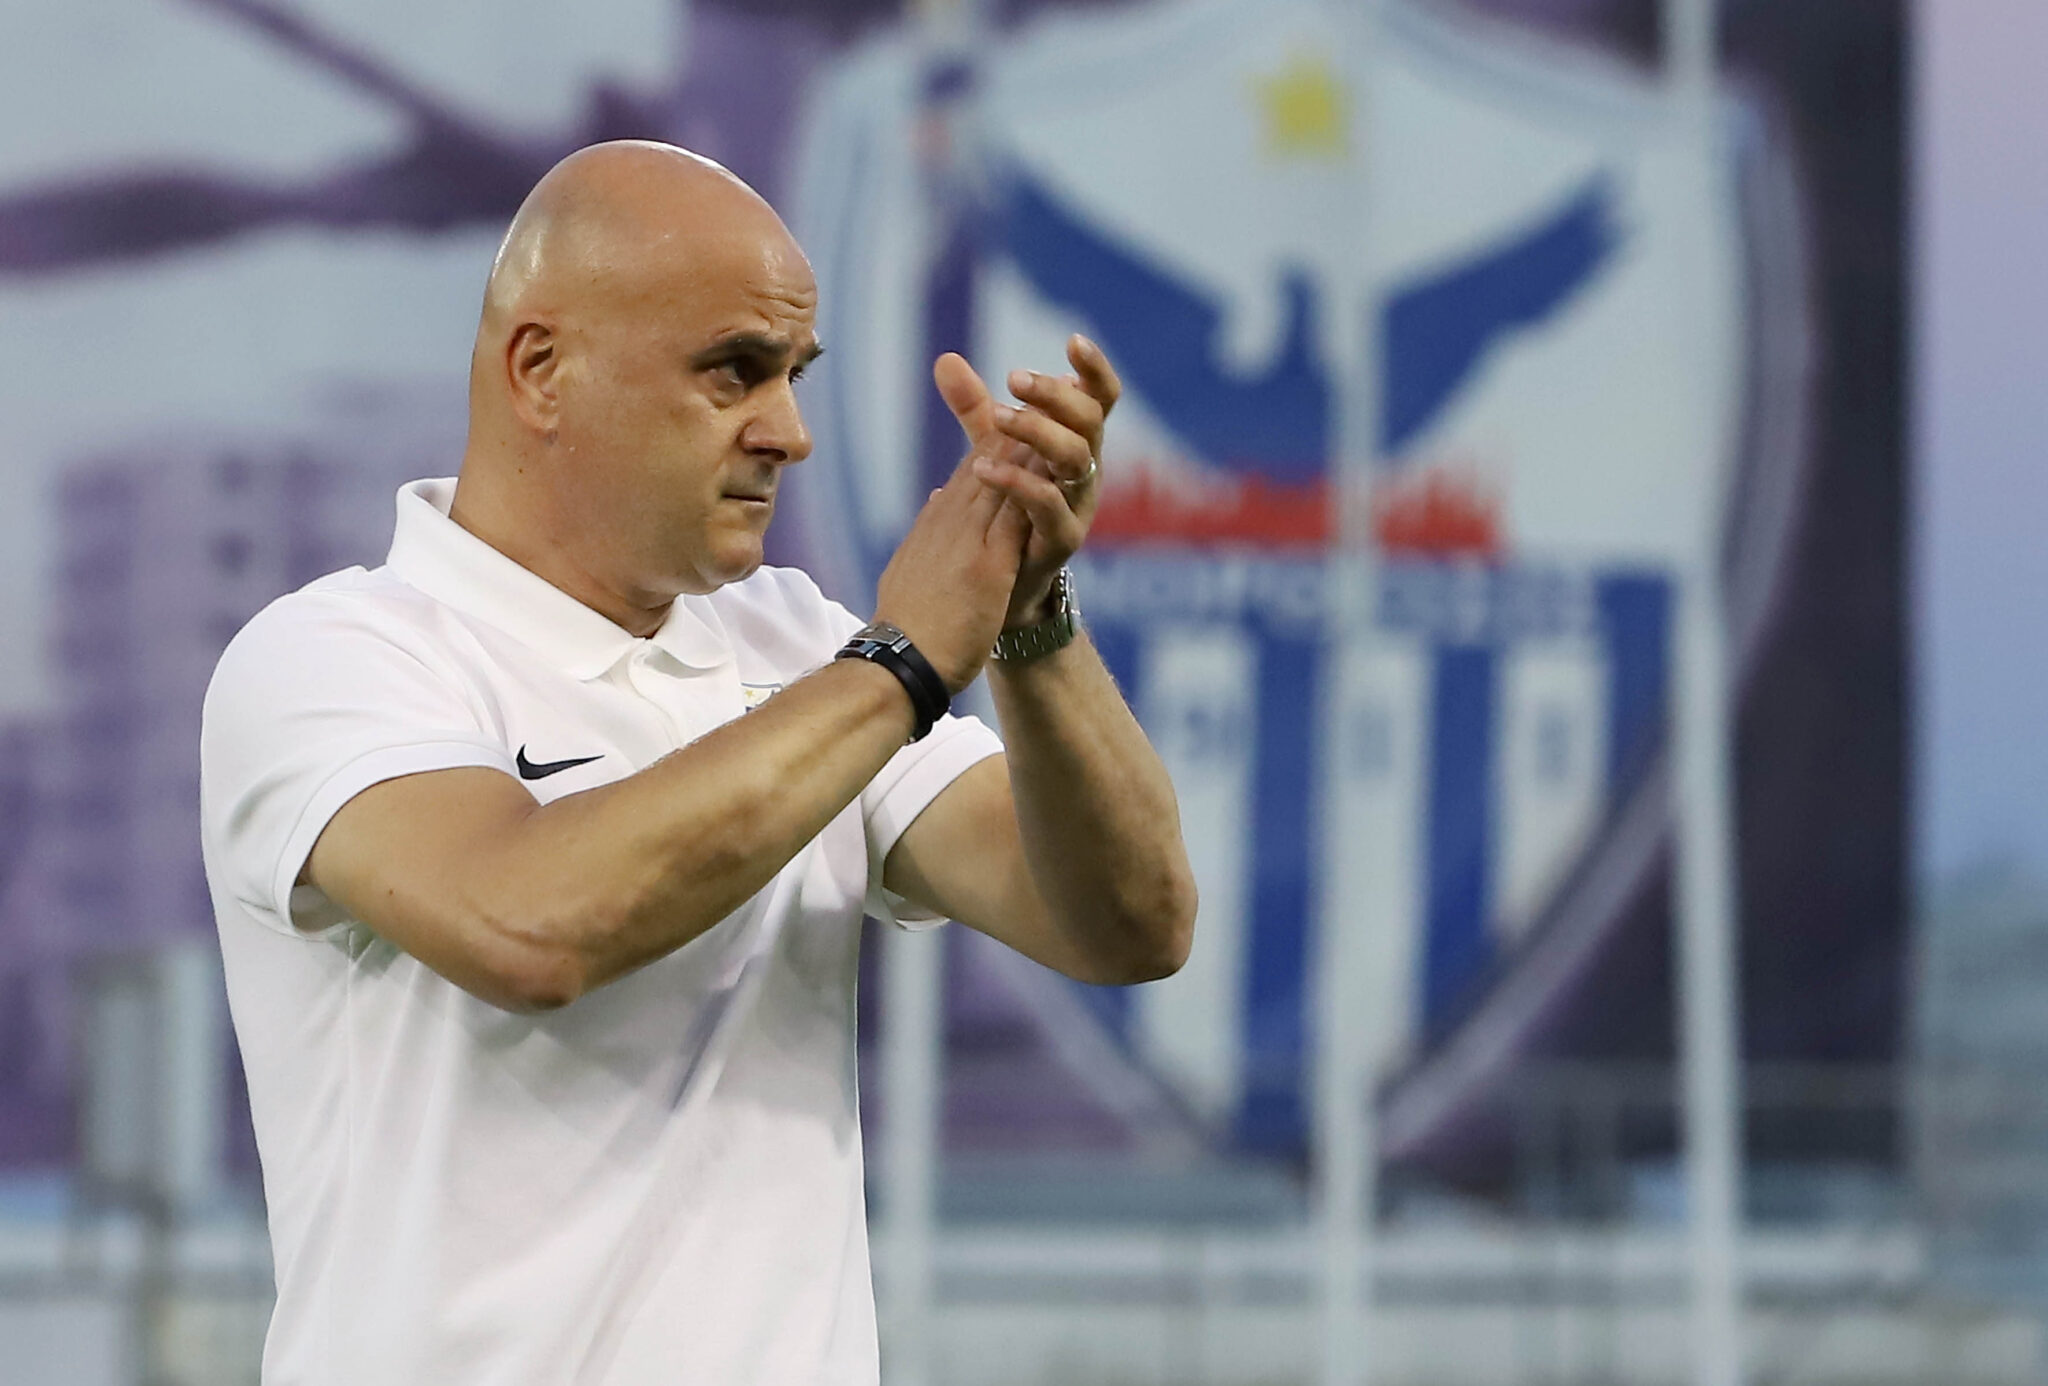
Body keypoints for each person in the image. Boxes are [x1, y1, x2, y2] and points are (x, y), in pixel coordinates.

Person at [199, 139, 1195, 1384]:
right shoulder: (333, 656)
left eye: (794, 375)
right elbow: (525, 929)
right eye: (734, 371)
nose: (789, 432)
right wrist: (898, 663)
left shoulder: (801, 646)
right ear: (542, 370)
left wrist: (1028, 619)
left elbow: (1128, 925)